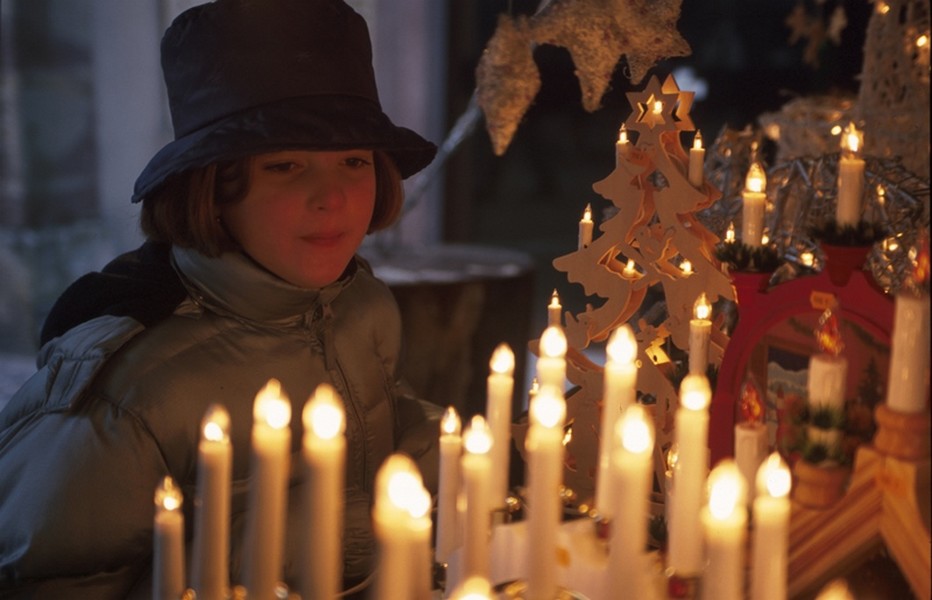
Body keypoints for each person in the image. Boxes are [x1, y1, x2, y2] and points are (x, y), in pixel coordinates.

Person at [0, 0, 440, 597]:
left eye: (354, 161)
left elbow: (388, 422)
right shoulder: (129, 397)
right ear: (212, 188)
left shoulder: (361, 305)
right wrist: (309, 535)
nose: (332, 197)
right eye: (285, 165)